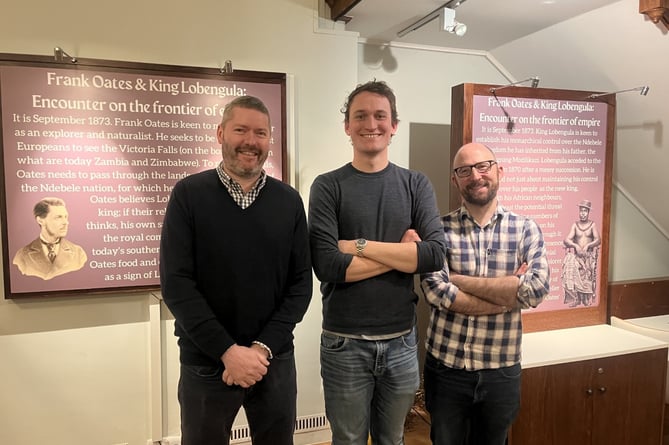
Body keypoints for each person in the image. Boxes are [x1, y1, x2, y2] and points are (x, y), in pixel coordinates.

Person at [159, 96, 312, 445]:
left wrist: (259, 350)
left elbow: (301, 284)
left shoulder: (288, 201)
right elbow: (177, 285)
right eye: (240, 129)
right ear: (220, 133)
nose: (250, 141)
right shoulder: (188, 195)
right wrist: (229, 352)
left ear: (269, 140)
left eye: (260, 132)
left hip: (272, 360)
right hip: (207, 362)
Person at [308, 80, 446, 445]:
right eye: (361, 116)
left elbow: (433, 254)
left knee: (393, 440)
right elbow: (328, 266)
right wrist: (402, 254)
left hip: (401, 342)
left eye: (381, 115)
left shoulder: (415, 184)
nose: (372, 123)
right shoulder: (327, 186)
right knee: (349, 440)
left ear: (394, 125)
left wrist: (359, 246)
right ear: (347, 127)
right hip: (344, 343)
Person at [420, 142, 550, 445]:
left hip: (500, 370)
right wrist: (508, 295)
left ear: (499, 171)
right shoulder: (438, 230)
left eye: (483, 166)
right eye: (464, 170)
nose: (475, 176)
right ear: (455, 180)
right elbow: (436, 291)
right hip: (446, 368)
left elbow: (536, 288)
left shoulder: (525, 229)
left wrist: (458, 279)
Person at [13, 197, 87, 280]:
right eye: (58, 217)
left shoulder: (78, 253)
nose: (66, 222)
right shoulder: (22, 256)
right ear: (40, 220)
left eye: (66, 217)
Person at [562, 199, 601, 307]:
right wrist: (575, 245)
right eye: (581, 211)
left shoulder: (592, 225)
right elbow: (567, 239)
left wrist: (588, 245)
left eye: (585, 211)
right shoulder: (575, 225)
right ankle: (577, 298)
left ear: (588, 212)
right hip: (577, 257)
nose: (582, 213)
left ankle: (586, 298)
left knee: (588, 270)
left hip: (588, 256)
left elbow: (598, 240)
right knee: (571, 266)